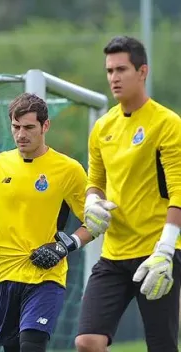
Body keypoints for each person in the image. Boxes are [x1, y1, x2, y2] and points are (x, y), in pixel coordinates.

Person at [75, 36, 181, 352]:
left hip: (157, 253)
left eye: (121, 69)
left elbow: (178, 191)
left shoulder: (167, 123)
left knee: (161, 346)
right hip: (114, 254)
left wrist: (165, 250)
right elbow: (94, 180)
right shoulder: (102, 127)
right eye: (109, 71)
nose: (114, 78)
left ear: (142, 71)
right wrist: (93, 200)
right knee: (87, 342)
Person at [0, 92, 96, 352]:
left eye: (29, 127)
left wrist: (64, 246)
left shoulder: (68, 169)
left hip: (47, 277)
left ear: (45, 126)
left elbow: (95, 222)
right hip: (6, 276)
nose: (21, 134)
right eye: (16, 127)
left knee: (32, 344)